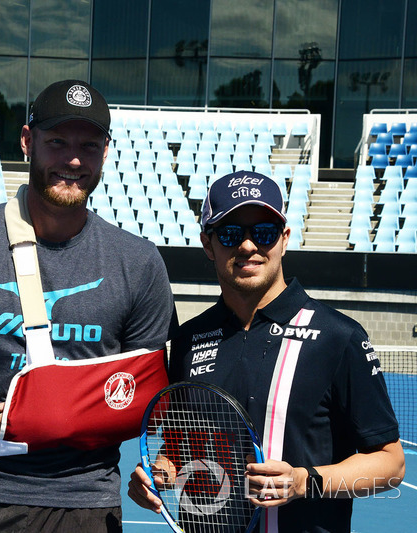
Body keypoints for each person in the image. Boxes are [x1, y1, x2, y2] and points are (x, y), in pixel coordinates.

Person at [0, 79, 176, 532]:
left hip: (85, 502)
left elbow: (141, 396)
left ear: (106, 151)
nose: (73, 159)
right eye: (57, 141)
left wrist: (47, 414)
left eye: (89, 145)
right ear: (27, 142)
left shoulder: (138, 262)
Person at [128, 170, 405, 532]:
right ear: (208, 244)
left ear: (284, 239)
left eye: (264, 232)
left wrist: (304, 481)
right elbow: (181, 445)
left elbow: (391, 465)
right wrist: (160, 471)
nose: (247, 245)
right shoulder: (188, 340)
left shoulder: (339, 338)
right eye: (229, 233)